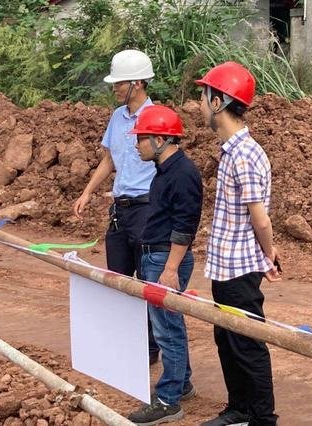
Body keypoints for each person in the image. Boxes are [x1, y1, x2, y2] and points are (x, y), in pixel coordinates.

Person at [196, 62, 281, 426]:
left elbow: (260, 219)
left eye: (204, 97)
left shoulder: (244, 155)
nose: (199, 104)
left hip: (239, 269)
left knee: (247, 343)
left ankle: (262, 418)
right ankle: (240, 408)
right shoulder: (232, 150)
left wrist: (268, 253)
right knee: (228, 339)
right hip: (227, 265)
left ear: (218, 103)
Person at [73, 49, 160, 365]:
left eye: (120, 83)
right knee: (118, 279)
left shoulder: (156, 119)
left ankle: (150, 348)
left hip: (147, 209)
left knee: (148, 281)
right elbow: (109, 160)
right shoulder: (117, 117)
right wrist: (87, 192)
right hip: (121, 210)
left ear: (138, 83)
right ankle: (125, 343)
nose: (115, 88)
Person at [127, 105, 203, 425]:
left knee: (166, 330)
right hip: (157, 256)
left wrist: (170, 269)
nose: (137, 145)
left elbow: (185, 226)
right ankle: (181, 383)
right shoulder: (166, 170)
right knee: (170, 324)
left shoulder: (183, 174)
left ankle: (168, 400)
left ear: (159, 139)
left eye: (140, 138)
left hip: (165, 258)